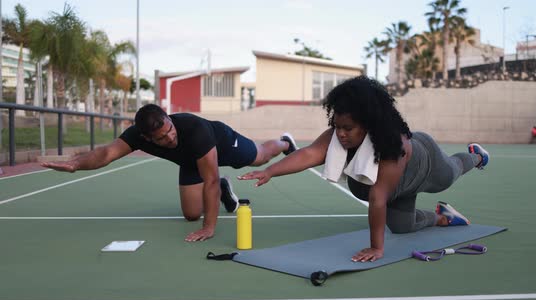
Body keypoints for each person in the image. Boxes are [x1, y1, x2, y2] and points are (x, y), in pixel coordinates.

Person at [238, 76, 489, 263]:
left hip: (426, 164)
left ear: (368, 123)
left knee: (451, 173)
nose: (341, 134)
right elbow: (310, 153)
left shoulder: (394, 144)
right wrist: (270, 171)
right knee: (402, 227)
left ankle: (476, 157)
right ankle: (442, 216)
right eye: (337, 126)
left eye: (348, 127)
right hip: (399, 188)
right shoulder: (339, 135)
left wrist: (376, 247)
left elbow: (378, 198)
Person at [41, 104, 298, 242]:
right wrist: (76, 163)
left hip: (219, 144)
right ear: (146, 138)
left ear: (168, 118)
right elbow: (106, 153)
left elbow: (208, 179)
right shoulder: (137, 136)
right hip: (191, 161)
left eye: (170, 130)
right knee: (190, 215)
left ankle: (285, 143)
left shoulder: (194, 129)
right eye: (162, 138)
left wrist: (209, 228)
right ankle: (225, 188)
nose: (170, 137)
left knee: (260, 156)